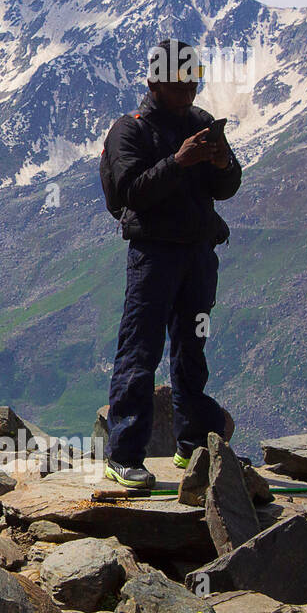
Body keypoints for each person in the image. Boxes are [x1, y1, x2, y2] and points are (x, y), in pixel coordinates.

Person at [100, 39, 243, 489]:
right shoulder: (131, 130)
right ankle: (124, 454)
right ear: (155, 82)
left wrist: (222, 162)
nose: (189, 93)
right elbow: (132, 193)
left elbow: (227, 187)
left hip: (198, 257)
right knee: (140, 350)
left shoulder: (201, 124)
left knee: (191, 347)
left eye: (194, 83)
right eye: (180, 85)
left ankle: (192, 444)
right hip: (154, 258)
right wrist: (179, 162)